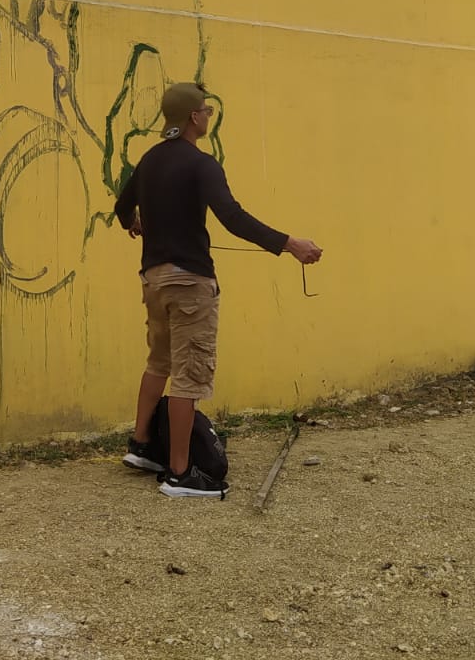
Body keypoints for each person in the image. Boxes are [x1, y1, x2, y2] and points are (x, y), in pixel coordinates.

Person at [113, 81, 322, 497]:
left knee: (159, 363)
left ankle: (141, 445)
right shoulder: (201, 163)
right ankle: (180, 474)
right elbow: (231, 216)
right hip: (189, 284)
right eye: (206, 111)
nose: (208, 116)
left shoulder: (150, 159)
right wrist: (289, 244)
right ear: (194, 117)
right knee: (189, 376)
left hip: (154, 281)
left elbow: (122, 206)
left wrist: (134, 223)